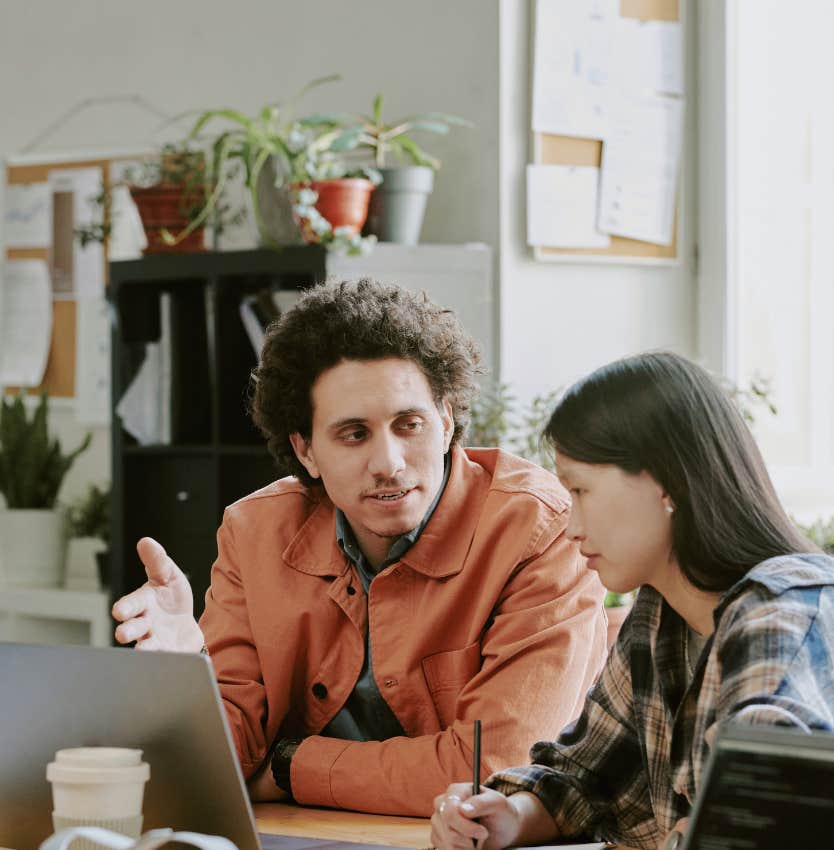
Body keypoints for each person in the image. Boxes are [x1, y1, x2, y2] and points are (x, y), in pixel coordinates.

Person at [112, 277, 607, 817]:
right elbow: (223, 761)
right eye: (354, 434)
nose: (389, 463)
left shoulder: (539, 530)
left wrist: (290, 766)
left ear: (445, 422)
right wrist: (188, 670)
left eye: (409, 424)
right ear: (306, 451)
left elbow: (496, 772)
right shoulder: (254, 530)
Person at [431, 351, 834, 850]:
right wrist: (507, 815)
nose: (572, 527)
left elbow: (762, 812)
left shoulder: (789, 611)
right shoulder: (659, 616)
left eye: (580, 490)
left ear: (667, 482)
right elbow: (585, 778)